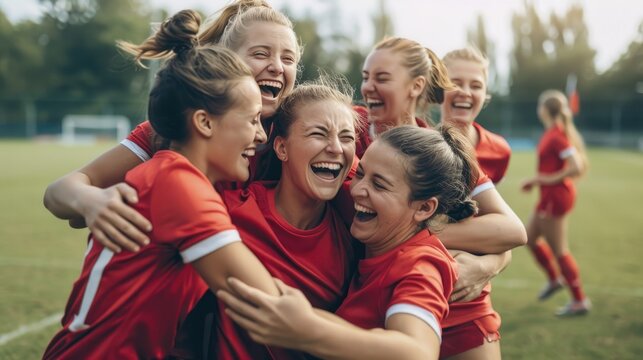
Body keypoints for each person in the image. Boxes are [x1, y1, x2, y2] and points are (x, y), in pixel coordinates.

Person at [43, 10, 280, 359]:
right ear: (204, 122)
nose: (259, 134)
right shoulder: (178, 181)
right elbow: (267, 303)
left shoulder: (176, 171)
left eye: (288, 57)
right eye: (251, 120)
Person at [42, 0, 300, 252]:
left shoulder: (297, 133)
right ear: (227, 60)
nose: (277, 66)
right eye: (260, 54)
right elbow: (60, 192)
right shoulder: (174, 131)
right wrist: (93, 201)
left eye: (288, 59)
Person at [217, 125, 480, 360]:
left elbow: (417, 352)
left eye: (379, 185)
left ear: (424, 208)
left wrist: (307, 330)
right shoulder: (374, 246)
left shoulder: (420, 265)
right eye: (361, 173)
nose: (355, 189)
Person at [356, 37, 526, 359]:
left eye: (381, 78)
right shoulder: (347, 129)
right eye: (365, 77)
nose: (367, 87)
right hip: (372, 297)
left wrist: (488, 263)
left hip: (458, 307)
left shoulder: (444, 149)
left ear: (416, 85)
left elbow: (513, 232)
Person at [171, 76, 362, 359]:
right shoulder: (228, 212)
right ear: (281, 148)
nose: (336, 148)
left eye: (346, 138)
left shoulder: (354, 233)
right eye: (319, 134)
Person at [439, 46, 515, 360]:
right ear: (437, 87)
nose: (466, 92)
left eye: (476, 85)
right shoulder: (412, 138)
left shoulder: (498, 151)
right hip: (413, 283)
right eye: (456, 82)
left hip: (470, 297)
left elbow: (500, 229)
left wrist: (486, 266)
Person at [521, 89, 590, 316]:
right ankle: (554, 280)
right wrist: (539, 181)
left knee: (560, 250)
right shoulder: (552, 133)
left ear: (544, 110)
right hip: (548, 197)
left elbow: (576, 166)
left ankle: (579, 301)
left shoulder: (557, 136)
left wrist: (542, 179)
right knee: (529, 238)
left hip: (556, 198)